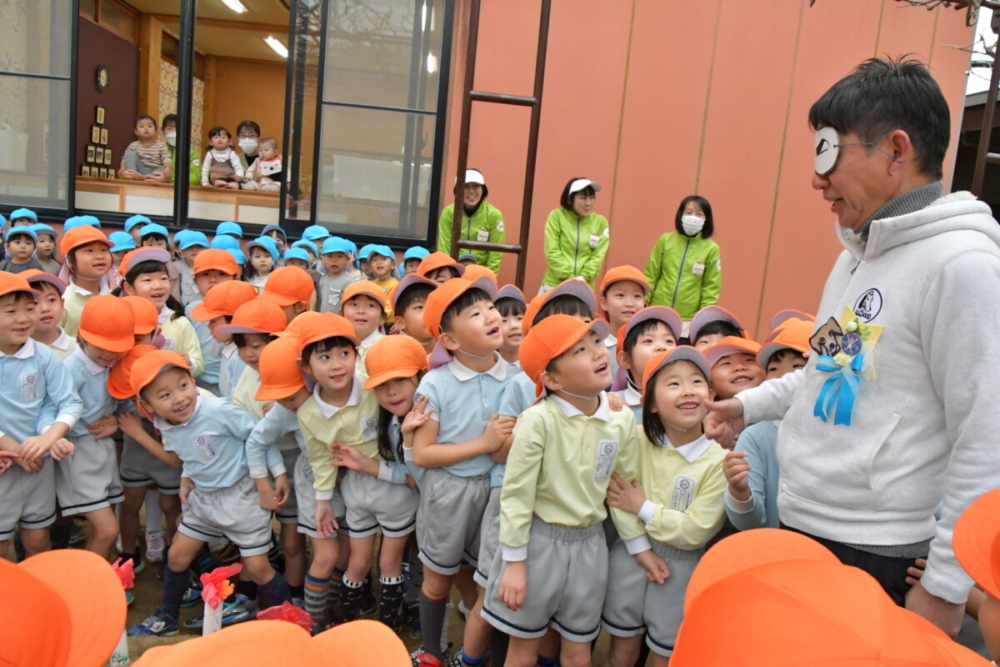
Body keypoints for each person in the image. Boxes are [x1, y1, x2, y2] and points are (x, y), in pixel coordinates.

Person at [704, 57, 1000, 637]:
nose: (818, 181)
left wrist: (945, 586)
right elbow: (826, 368)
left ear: (895, 150)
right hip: (803, 525)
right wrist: (746, 406)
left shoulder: (963, 267)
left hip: (876, 551)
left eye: (830, 155)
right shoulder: (854, 258)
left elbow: (986, 436)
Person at [482, 315, 638, 667]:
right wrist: (514, 563)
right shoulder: (538, 420)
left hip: (590, 546)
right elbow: (516, 494)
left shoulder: (621, 419)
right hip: (539, 544)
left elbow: (622, 491)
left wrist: (640, 547)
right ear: (552, 379)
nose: (597, 352)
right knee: (523, 650)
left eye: (596, 342)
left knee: (579, 649)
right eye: (579, 350)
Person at [127, 350, 291, 637]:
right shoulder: (164, 423)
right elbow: (189, 452)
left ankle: (294, 622)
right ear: (147, 406)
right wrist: (187, 477)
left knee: (258, 567)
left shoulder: (218, 410)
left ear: (193, 381)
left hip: (242, 497)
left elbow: (258, 439)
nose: (179, 398)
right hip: (203, 499)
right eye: (164, 395)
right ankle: (167, 617)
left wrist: (278, 474)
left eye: (183, 385)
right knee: (177, 555)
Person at [409, 277, 516, 666]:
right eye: (475, 313)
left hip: (497, 494)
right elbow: (423, 454)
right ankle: (432, 651)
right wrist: (484, 443)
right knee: (437, 580)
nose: (491, 316)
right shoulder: (436, 383)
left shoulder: (518, 378)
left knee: (487, 581)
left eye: (491, 307)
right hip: (449, 493)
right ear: (450, 340)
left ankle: (484, 653)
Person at [603, 346, 726, 667]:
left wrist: (643, 507)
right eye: (673, 383)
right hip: (630, 554)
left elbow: (695, 530)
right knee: (621, 651)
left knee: (666, 655)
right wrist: (640, 549)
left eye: (697, 381)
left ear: (711, 395)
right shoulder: (635, 439)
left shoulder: (719, 459)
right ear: (651, 404)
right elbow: (618, 496)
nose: (688, 390)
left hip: (682, 569)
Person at [0, 271, 82, 561]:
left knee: (38, 541)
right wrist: (15, 449)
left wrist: (48, 439)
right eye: (10, 311)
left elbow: (69, 402)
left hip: (38, 466)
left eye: (29, 308)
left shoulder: (43, 355)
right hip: (5, 466)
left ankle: (34, 589)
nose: (23, 319)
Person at [292, 313, 363, 632]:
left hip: (358, 480)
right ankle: (313, 621)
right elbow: (320, 458)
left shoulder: (371, 390)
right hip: (319, 482)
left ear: (356, 355)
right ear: (306, 366)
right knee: (326, 555)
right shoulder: (309, 412)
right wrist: (322, 500)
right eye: (324, 357)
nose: (337, 365)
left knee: (346, 556)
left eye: (344, 353)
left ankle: (330, 611)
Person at [58, 295, 134, 560]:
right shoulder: (70, 370)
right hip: (78, 453)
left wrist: (115, 421)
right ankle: (90, 582)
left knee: (105, 524)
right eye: (101, 346)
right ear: (81, 336)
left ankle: (101, 577)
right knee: (107, 530)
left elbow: (123, 403)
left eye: (117, 347)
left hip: (102, 449)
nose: (109, 353)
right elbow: (56, 413)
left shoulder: (112, 365)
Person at [723, 317, 811, 531]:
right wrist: (739, 491)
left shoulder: (842, 431)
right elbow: (750, 522)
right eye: (773, 369)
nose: (783, 376)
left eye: (798, 367)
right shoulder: (756, 436)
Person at [117, 247, 204, 377]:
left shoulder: (180, 323)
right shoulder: (121, 320)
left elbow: (199, 365)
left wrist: (188, 362)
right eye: (147, 280)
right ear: (129, 288)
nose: (158, 286)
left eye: (163, 278)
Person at [644, 196, 722, 320]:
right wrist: (645, 301)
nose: (693, 218)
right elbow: (651, 274)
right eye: (689, 212)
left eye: (699, 214)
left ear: (706, 219)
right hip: (657, 310)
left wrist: (704, 314)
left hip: (689, 317)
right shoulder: (665, 240)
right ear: (681, 215)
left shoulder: (711, 248)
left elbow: (711, 286)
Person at [184, 248, 242, 395]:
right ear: (195, 280)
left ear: (236, 279)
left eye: (221, 274)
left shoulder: (244, 309)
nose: (213, 280)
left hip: (236, 384)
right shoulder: (191, 311)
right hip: (199, 385)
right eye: (205, 274)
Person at [190, 279, 256, 400]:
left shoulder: (243, 358)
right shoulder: (229, 347)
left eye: (213, 321)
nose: (209, 326)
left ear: (234, 320)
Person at [540, 177, 610, 291]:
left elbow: (598, 256)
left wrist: (584, 277)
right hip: (554, 285)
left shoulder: (601, 222)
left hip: (584, 286)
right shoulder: (556, 216)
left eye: (591, 197)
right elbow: (552, 251)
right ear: (569, 200)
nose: (588, 203)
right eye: (583, 198)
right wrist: (570, 278)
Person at [615, 306, 683, 420]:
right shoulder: (614, 404)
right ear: (626, 360)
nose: (661, 347)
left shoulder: (688, 398)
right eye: (648, 341)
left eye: (669, 341)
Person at [437, 169, 505, 274]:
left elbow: (496, 255)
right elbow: (444, 249)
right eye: (466, 186)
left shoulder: (494, 215)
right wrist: (449, 274)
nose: (471, 191)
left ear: (483, 189)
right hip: (455, 271)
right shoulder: (448, 213)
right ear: (457, 190)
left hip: (481, 273)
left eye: (476, 186)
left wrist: (488, 277)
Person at [59, 225, 114, 337]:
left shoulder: (114, 297)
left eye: (104, 250)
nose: (100, 256)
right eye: (89, 251)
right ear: (70, 261)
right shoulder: (64, 302)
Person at [599, 266, 650, 378]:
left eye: (637, 296)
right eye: (620, 295)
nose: (629, 304)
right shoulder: (596, 347)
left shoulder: (650, 346)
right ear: (604, 303)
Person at [24, 270, 75, 360]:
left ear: (62, 303)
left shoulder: (77, 350)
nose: (45, 308)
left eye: (51, 300)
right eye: (34, 303)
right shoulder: (12, 352)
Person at [340, 281, 388, 371]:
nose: (361, 311)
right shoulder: (335, 347)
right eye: (354, 304)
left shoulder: (387, 348)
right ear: (341, 314)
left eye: (370, 305)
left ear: (382, 318)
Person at [390, 273, 437, 356]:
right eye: (419, 307)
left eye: (434, 305)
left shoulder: (455, 349)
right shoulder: (393, 355)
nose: (430, 312)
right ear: (400, 322)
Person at [120, 115, 172, 182]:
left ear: (156, 130)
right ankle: (133, 175)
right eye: (142, 126)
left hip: (154, 170)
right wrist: (122, 167)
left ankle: (143, 178)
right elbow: (125, 158)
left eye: (150, 126)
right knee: (130, 154)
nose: (146, 128)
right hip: (139, 170)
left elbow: (166, 157)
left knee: (162, 169)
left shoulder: (161, 145)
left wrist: (168, 168)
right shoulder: (133, 145)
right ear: (136, 131)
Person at [317, 237, 360, 315]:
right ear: (322, 259)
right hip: (323, 319)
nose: (334, 260)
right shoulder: (323, 279)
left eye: (339, 256)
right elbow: (320, 302)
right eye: (330, 256)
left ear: (347, 259)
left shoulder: (349, 281)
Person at [161, 113, 202, 186]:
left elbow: (196, 178)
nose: (173, 132)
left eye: (177, 129)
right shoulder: (158, 150)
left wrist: (168, 179)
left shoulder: (192, 154)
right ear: (163, 131)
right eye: (169, 129)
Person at [367, 245, 399, 325]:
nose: (379, 262)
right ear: (370, 267)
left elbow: (391, 309)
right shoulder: (370, 286)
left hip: (387, 326)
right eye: (374, 260)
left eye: (384, 259)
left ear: (393, 265)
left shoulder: (396, 285)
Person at [495, 285, 526, 368]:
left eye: (519, 318)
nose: (513, 326)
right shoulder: (486, 367)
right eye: (504, 321)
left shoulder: (540, 367)